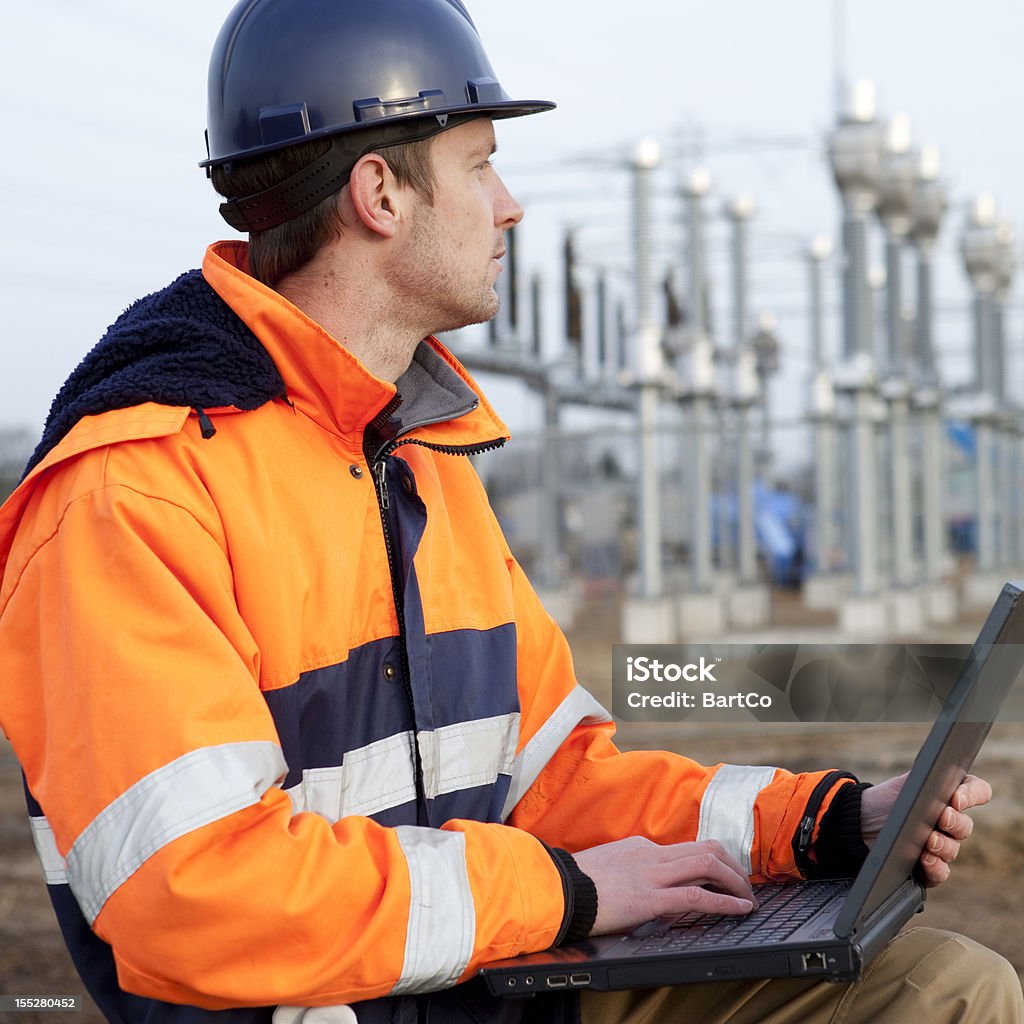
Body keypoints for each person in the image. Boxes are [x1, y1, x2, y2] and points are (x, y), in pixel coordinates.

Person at [0, 1, 1019, 1023]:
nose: (510, 206)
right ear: (379, 194)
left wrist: (822, 824)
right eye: (481, 164)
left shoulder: (419, 457)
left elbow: (557, 779)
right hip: (336, 1007)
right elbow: (199, 892)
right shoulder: (134, 492)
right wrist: (567, 891)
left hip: (500, 982)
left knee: (946, 991)